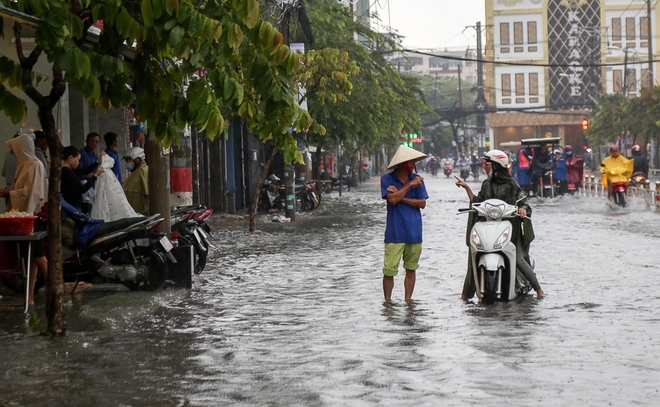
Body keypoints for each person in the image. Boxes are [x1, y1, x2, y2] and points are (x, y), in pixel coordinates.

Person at [455, 149, 545, 299]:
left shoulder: (511, 184)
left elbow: (523, 202)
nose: (484, 167)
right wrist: (467, 188)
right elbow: (478, 202)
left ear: (496, 166)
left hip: (510, 229)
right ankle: (465, 294)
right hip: (489, 228)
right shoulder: (486, 184)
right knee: (473, 254)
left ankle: (539, 290)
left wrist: (523, 209)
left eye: (487, 164)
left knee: (518, 259)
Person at [0, 132, 48, 306]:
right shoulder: (23, 165)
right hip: (25, 217)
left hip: (34, 216)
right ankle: (30, 297)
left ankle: (54, 295)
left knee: (39, 257)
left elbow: (33, 193)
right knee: (32, 258)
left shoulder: (35, 165)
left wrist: (9, 193)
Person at [381, 145, 428, 303]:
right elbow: (392, 200)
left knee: (411, 268)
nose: (413, 163)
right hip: (395, 232)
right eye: (410, 161)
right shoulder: (387, 179)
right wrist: (409, 186)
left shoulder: (418, 179)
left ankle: (408, 301)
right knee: (389, 270)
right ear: (402, 163)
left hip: (414, 232)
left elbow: (422, 203)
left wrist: (401, 194)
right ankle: (388, 302)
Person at [61, 146, 105, 212]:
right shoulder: (67, 172)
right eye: (78, 160)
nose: (78, 163)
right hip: (72, 206)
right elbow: (82, 188)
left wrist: (97, 162)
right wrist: (95, 176)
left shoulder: (69, 170)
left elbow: (83, 171)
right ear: (71, 158)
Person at [78, 132, 102, 214]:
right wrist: (94, 175)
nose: (94, 143)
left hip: (93, 187)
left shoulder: (95, 157)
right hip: (83, 188)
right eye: (92, 141)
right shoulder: (82, 154)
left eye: (97, 141)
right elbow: (79, 172)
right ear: (86, 141)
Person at [122, 146, 149, 214]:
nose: (127, 163)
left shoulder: (140, 172)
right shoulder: (143, 170)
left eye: (128, 160)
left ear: (137, 160)